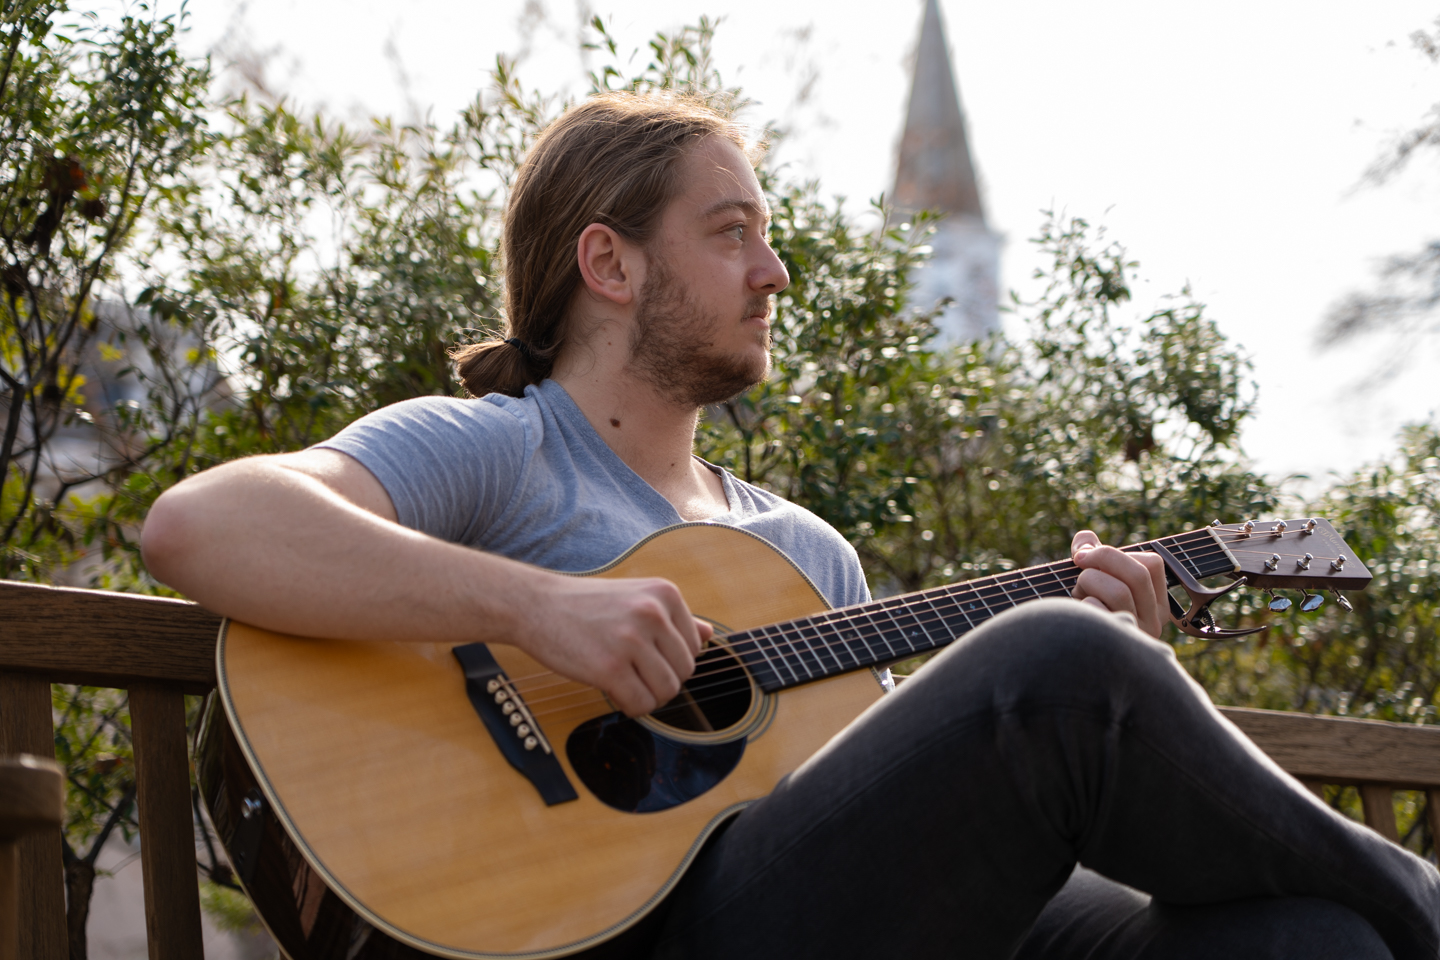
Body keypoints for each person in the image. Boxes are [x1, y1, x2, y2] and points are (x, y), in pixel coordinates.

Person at [141, 92, 1439, 960]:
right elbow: (204, 526)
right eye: (733, 235)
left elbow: (860, 820)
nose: (775, 272)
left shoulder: (803, 553)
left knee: (1313, 941)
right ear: (611, 266)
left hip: (798, 917)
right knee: (1065, 666)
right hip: (593, 936)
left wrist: (1095, 672)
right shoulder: (502, 446)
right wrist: (540, 606)